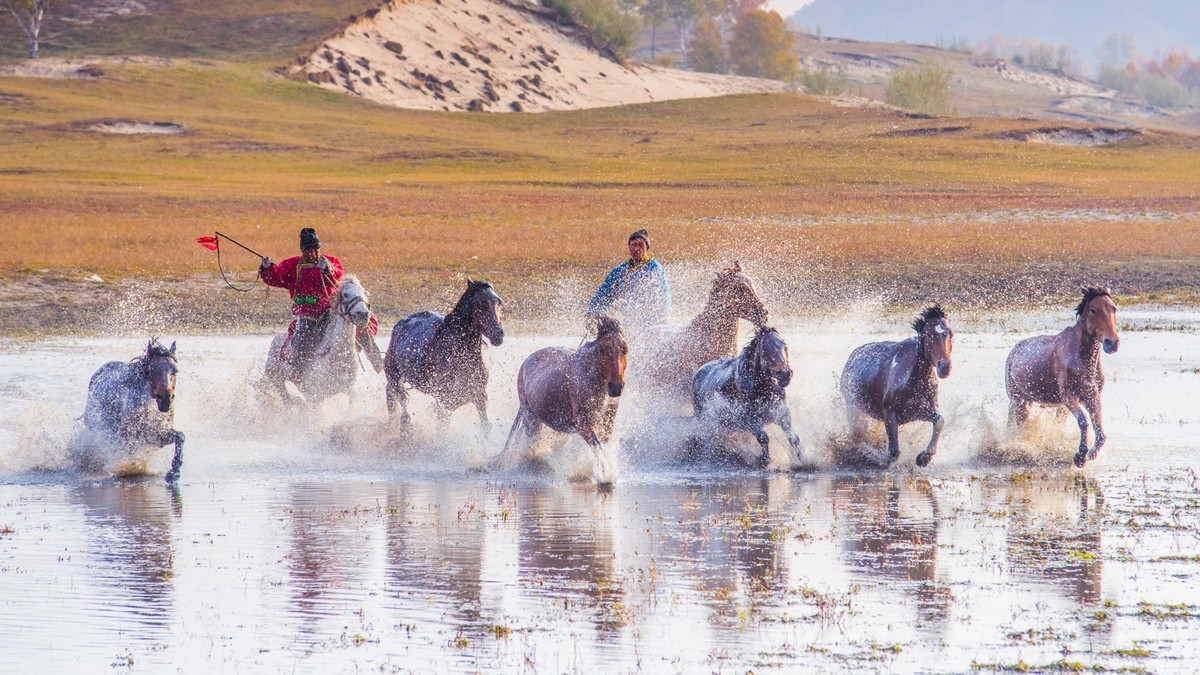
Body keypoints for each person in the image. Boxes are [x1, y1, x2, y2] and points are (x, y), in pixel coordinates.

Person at [259, 228, 384, 374]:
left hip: (330, 310)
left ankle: (376, 361)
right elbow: (276, 277)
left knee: (360, 328)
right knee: (301, 341)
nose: (312, 253)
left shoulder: (329, 261)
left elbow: (339, 274)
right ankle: (298, 372)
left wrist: (328, 269)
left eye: (315, 249)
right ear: (302, 251)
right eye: (308, 251)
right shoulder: (292, 265)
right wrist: (266, 268)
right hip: (307, 314)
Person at [586, 229, 671, 330]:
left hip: (652, 324)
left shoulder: (654, 268)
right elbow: (603, 294)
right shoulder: (620, 271)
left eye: (641, 245)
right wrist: (593, 313)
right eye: (634, 245)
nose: (637, 249)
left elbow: (663, 293)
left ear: (647, 247)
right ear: (629, 247)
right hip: (629, 324)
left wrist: (663, 315)